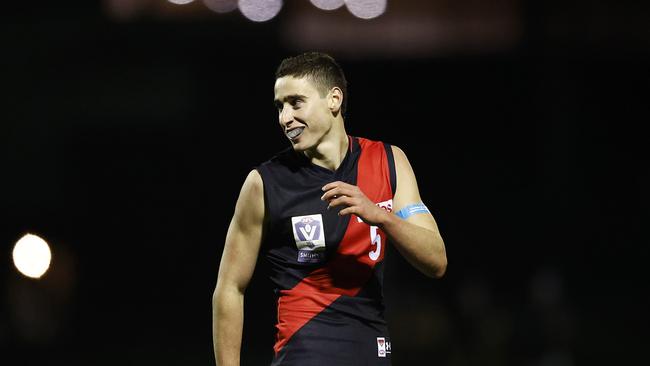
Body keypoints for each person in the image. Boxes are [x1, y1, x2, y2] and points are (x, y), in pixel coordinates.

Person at [212, 51, 447, 366]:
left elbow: (436, 260)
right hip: (304, 354)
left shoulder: (389, 161)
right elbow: (229, 288)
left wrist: (380, 216)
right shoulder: (264, 183)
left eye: (296, 103)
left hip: (373, 352)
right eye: (280, 106)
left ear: (333, 99)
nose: (285, 118)